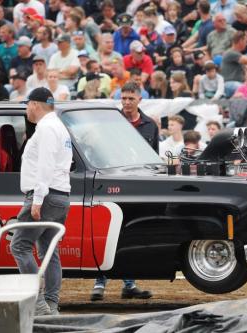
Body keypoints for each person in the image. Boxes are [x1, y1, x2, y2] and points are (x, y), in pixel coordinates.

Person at [90, 82, 156, 302]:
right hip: (112, 184)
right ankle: (100, 282)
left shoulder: (150, 126)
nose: (127, 102)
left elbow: (154, 159)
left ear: (140, 99)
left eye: (131, 98)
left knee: (130, 234)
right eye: (124, 98)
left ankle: (129, 283)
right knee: (105, 231)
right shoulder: (110, 124)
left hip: (138, 185)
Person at [10, 87, 72, 317]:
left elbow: (45, 165)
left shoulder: (46, 128)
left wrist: (37, 199)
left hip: (44, 194)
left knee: (19, 245)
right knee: (49, 251)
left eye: (27, 104)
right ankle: (51, 305)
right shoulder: (59, 127)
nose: (26, 109)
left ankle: (37, 304)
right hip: (60, 195)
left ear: (35, 104)